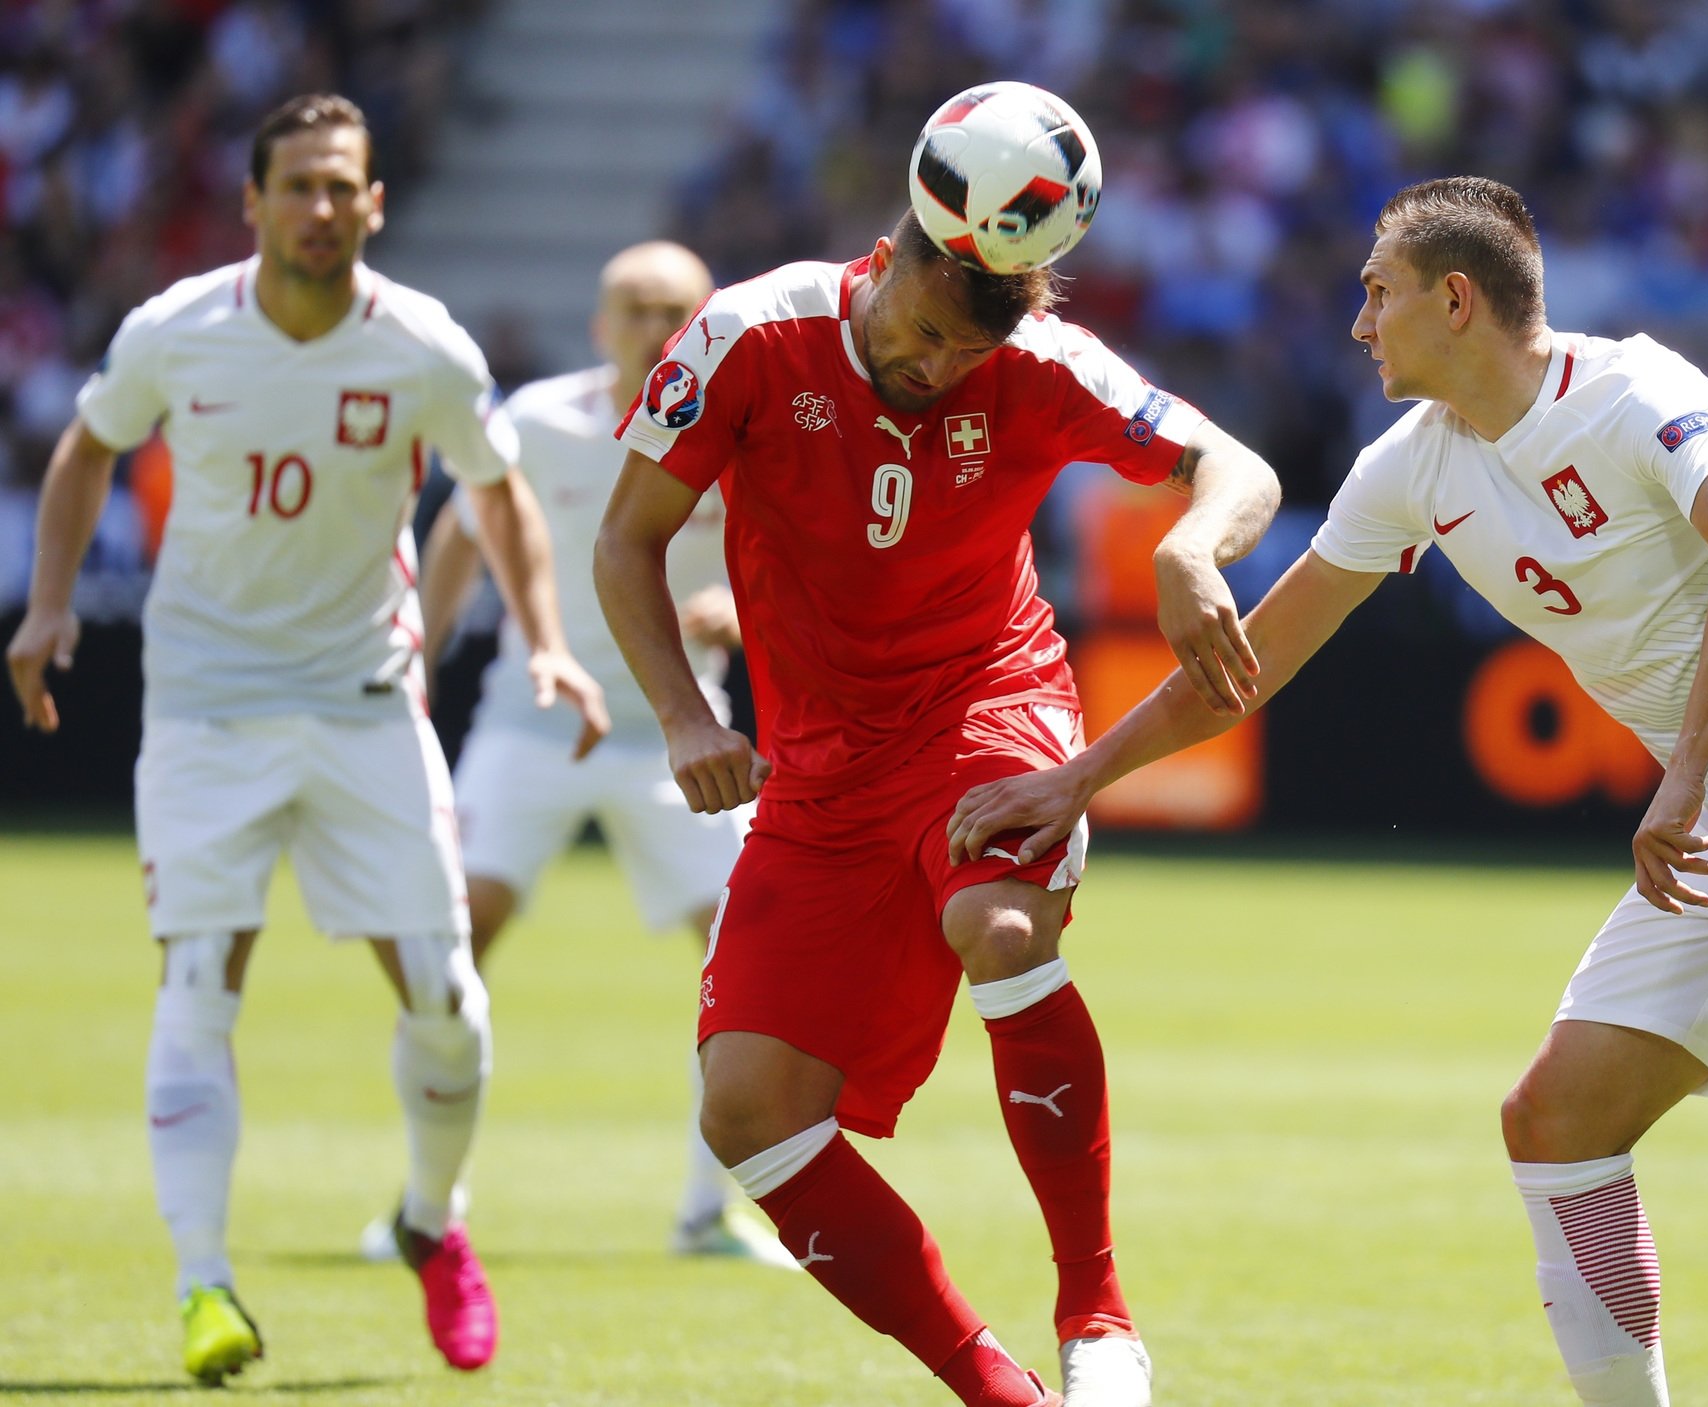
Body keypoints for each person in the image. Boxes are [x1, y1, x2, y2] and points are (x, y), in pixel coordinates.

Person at [946, 175, 1708, 1405]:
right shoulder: (1409, 468)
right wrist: (1081, 777)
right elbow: (1246, 666)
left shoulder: (1635, 391)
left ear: (1453, 299)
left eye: (1377, 294)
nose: (1358, 324)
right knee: (1554, 1125)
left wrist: (1677, 779)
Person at [593, 197, 1282, 1401]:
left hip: (984, 703)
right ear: (892, 258)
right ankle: (997, 1392)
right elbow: (625, 539)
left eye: (968, 351)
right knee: (749, 1114)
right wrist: (687, 718)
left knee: (1001, 924)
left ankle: (1098, 1318)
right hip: (817, 770)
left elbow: (1238, 467)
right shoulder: (749, 334)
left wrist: (1188, 548)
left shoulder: (1036, 359)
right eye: (923, 332)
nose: (938, 366)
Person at [3, 94, 608, 1385]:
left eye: (344, 187)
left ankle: (433, 1223)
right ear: (254, 203)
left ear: (376, 203)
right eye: (300, 186)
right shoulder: (177, 331)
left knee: (447, 998)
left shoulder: (425, 349)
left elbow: (496, 489)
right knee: (199, 981)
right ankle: (201, 1282)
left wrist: (546, 634)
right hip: (207, 706)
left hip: (363, 703)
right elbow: (86, 448)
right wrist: (51, 601)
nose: (322, 208)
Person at [361, 239, 790, 1268]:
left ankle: (708, 1214)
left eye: (671, 310)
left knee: (751, 965)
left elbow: (788, 557)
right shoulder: (538, 422)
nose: (651, 328)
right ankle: (427, 1206)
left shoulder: (743, 429)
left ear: (701, 325)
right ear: (599, 325)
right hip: (529, 721)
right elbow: (467, 531)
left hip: (682, 739)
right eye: (633, 309)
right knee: (450, 946)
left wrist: (737, 604)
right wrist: (413, 655)